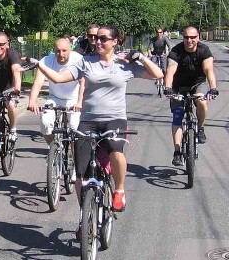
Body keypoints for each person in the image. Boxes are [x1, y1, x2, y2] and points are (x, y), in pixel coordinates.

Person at [35, 25, 163, 213]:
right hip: (88, 120)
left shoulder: (124, 64)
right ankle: (84, 216)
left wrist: (141, 57)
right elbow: (59, 78)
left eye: (103, 39)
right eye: (96, 38)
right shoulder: (86, 62)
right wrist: (39, 65)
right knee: (81, 174)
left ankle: (119, 190)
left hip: (115, 118)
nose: (98, 42)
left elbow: (158, 74)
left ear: (115, 42)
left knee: (115, 149)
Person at [27, 36, 85, 179]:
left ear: (70, 49)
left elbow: (83, 82)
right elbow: (38, 83)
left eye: (64, 50)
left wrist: (80, 102)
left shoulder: (78, 59)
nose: (61, 54)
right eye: (58, 51)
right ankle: (53, 149)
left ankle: (75, 162)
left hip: (73, 100)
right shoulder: (47, 61)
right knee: (46, 123)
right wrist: (32, 101)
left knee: (74, 128)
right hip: (55, 98)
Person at [162, 25, 219, 167]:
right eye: (186, 37)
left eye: (193, 37)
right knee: (177, 115)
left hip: (196, 84)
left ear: (198, 38)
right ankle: (176, 152)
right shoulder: (176, 51)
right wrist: (168, 88)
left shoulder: (204, 50)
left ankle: (200, 128)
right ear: (183, 37)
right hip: (178, 86)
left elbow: (209, 71)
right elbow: (170, 71)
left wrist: (213, 88)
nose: (189, 40)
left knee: (202, 101)